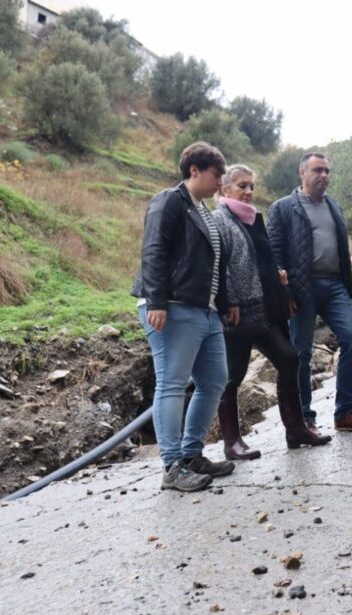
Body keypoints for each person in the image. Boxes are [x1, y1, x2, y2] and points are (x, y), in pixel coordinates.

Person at [132, 141, 236, 492]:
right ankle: (172, 466)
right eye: (216, 175)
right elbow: (154, 249)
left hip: (204, 312)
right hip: (172, 307)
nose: (220, 183)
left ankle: (192, 455)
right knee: (172, 383)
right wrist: (156, 299)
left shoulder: (203, 210)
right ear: (194, 170)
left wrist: (224, 303)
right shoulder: (170, 201)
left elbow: (214, 265)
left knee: (216, 380)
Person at [212, 164, 331, 458]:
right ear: (224, 189)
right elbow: (221, 263)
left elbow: (262, 258)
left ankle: (296, 430)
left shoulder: (254, 219)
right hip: (238, 312)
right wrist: (229, 303)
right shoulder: (219, 219)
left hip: (264, 308)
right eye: (242, 186)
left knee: (289, 359)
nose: (249, 192)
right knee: (234, 374)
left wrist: (277, 274)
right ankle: (231, 442)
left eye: (251, 186)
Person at [268, 153, 352, 434]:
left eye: (327, 171)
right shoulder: (282, 208)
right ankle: (305, 418)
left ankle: (344, 412)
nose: (324, 175)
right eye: (318, 170)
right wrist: (286, 291)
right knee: (301, 352)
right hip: (301, 287)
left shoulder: (334, 207)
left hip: (335, 285)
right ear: (302, 172)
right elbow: (275, 252)